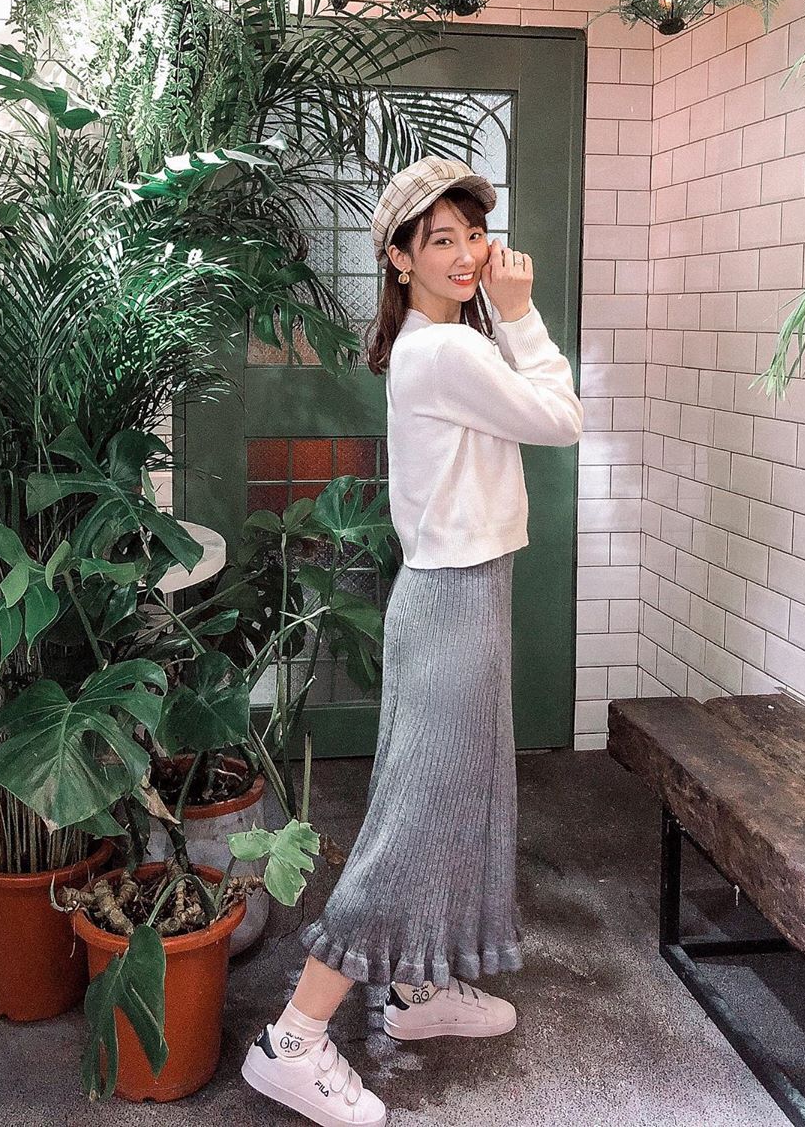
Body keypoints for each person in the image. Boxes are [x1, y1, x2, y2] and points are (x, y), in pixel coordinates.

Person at [241, 155, 585, 1126]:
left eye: (474, 234)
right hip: (451, 604)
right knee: (416, 822)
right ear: (399, 259)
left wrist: (497, 321)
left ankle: (416, 989)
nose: (468, 254)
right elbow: (563, 419)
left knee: (458, 799)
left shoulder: (439, 344)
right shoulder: (449, 351)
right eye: (441, 240)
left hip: (457, 594)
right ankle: (292, 1040)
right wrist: (522, 313)